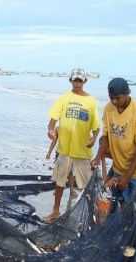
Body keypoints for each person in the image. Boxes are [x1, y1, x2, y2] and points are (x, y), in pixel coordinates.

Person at [45, 68, 100, 223]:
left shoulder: (91, 101)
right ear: (70, 81)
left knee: (81, 186)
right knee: (60, 182)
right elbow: (53, 120)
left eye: (80, 81)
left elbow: (96, 127)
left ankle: (78, 215)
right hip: (64, 150)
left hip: (82, 152)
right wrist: (50, 130)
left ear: (84, 82)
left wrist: (94, 139)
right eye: (75, 80)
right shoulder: (64, 98)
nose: (77, 83)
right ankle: (55, 211)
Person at [91, 77, 136, 201]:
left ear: (127, 94)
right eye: (111, 98)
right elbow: (105, 136)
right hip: (118, 167)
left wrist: (127, 177)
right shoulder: (108, 108)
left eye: (118, 98)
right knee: (110, 203)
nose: (114, 101)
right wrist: (97, 157)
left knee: (132, 210)